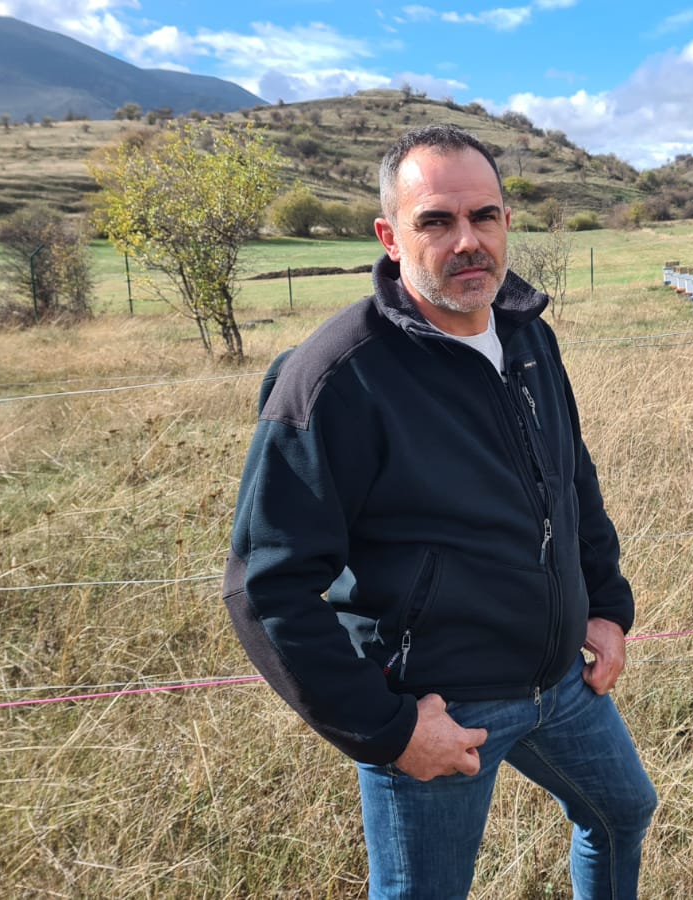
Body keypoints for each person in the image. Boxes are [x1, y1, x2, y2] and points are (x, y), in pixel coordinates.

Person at [223, 123, 656, 898]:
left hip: (559, 683)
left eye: (484, 216)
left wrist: (608, 609)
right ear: (391, 236)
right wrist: (388, 731)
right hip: (440, 705)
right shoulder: (337, 378)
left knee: (624, 813)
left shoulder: (528, 337)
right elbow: (267, 585)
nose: (468, 241)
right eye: (437, 221)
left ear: (507, 224)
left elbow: (571, 479)